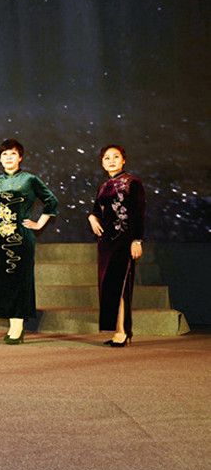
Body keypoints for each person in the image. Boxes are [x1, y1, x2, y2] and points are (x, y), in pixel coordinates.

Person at [0, 139, 58, 344]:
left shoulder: (30, 180)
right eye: (4, 154)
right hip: (0, 237)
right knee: (2, 280)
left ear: (20, 157)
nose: (8, 158)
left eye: (13, 154)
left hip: (22, 237)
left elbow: (51, 201)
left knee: (21, 279)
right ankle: (12, 325)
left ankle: (18, 326)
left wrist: (39, 223)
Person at [88, 144, 145, 347]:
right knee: (109, 286)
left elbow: (139, 212)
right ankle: (117, 330)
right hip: (106, 243)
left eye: (115, 156)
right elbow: (96, 210)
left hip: (124, 240)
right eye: (107, 158)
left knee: (121, 286)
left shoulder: (133, 182)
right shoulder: (104, 186)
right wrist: (91, 218)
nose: (111, 161)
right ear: (102, 163)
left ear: (123, 160)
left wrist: (137, 240)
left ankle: (123, 331)